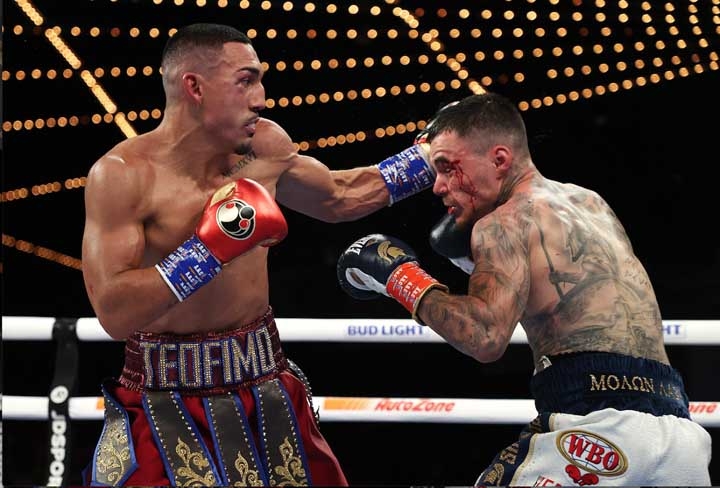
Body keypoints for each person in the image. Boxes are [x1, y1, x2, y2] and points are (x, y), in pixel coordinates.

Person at [80, 23, 436, 486]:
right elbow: (113, 312)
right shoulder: (123, 175)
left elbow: (339, 195)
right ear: (195, 87)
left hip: (265, 387)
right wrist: (209, 249)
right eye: (246, 80)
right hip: (162, 398)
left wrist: (434, 158)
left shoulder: (264, 146)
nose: (261, 97)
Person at [336, 92, 712, 486]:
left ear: (499, 160)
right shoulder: (590, 203)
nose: (438, 187)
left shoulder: (504, 223)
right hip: (678, 429)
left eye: (447, 168)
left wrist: (401, 278)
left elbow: (484, 337)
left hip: (596, 424)